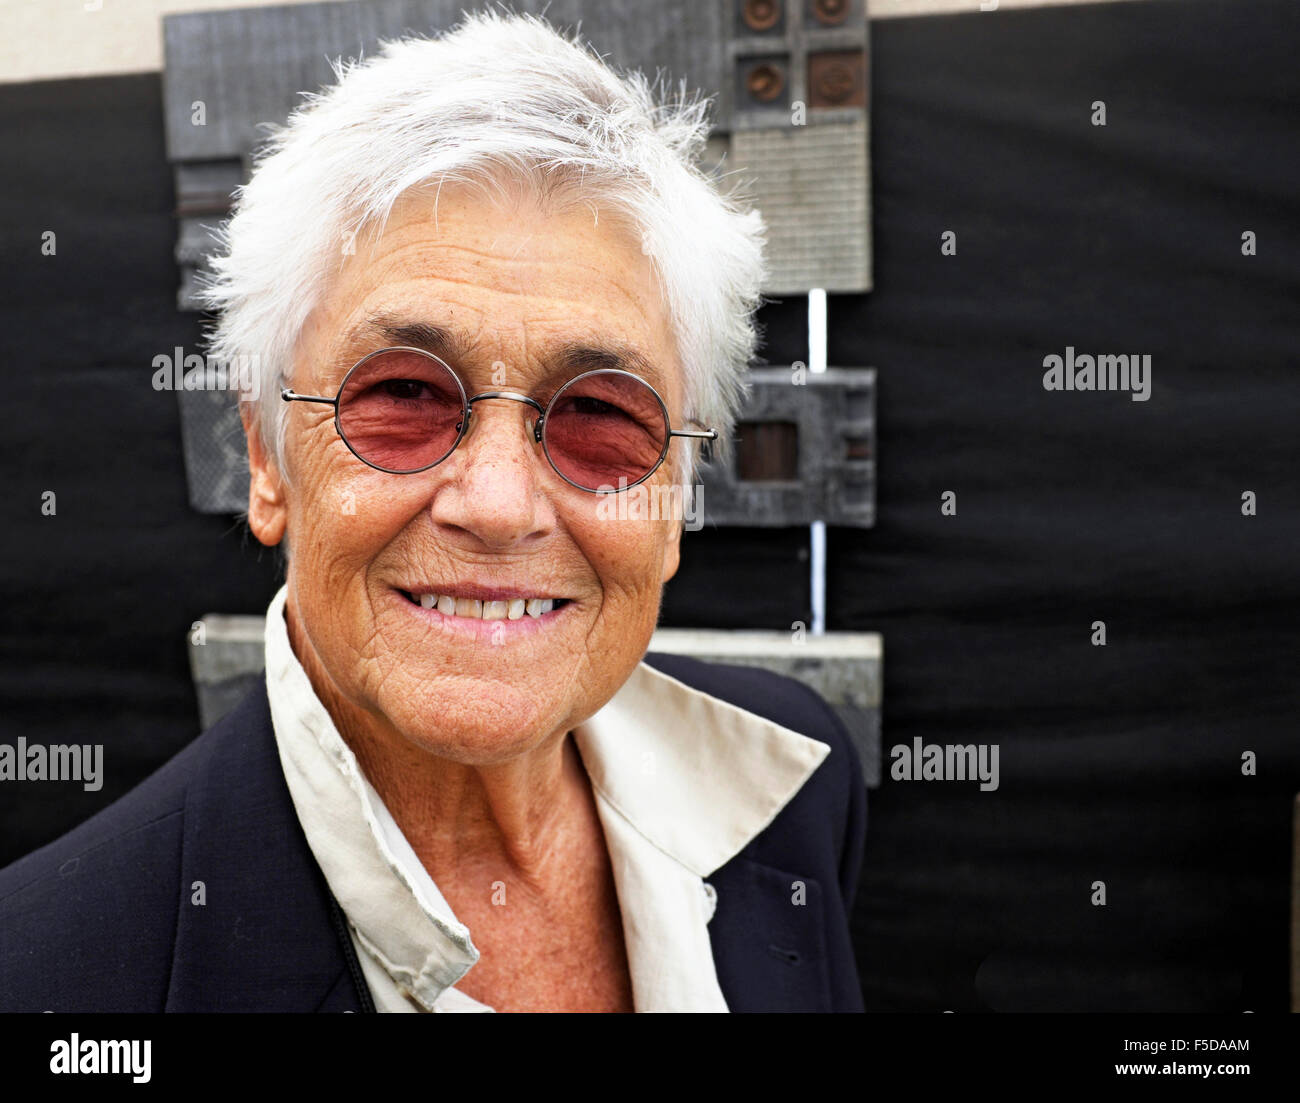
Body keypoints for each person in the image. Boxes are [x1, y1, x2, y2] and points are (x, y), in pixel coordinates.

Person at [0, 11, 865, 1012]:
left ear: (675, 494)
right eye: (403, 396)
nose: (498, 506)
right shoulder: (48, 977)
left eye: (596, 414)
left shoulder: (793, 776)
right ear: (264, 459)